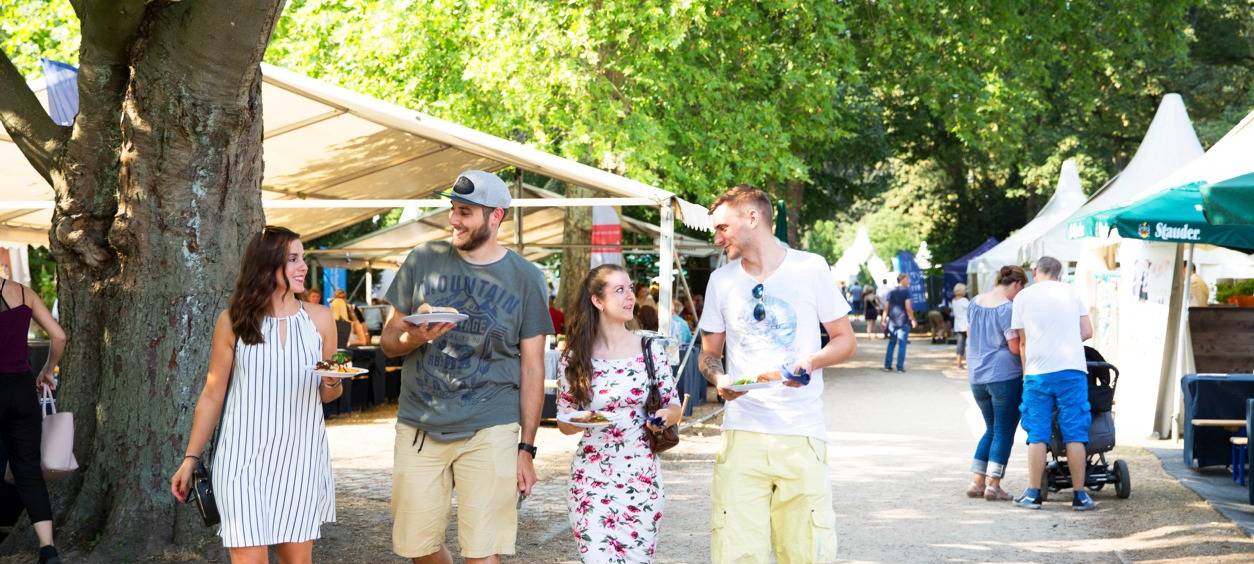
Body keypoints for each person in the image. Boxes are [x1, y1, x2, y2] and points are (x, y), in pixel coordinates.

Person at [380, 170, 552, 563]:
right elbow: (388, 342)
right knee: (417, 546)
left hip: (492, 425)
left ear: (496, 216)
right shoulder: (423, 259)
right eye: (453, 209)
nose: (453, 220)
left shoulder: (526, 278)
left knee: (483, 550)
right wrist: (414, 338)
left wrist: (526, 448)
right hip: (420, 422)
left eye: (465, 212)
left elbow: (532, 368)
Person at [698, 185, 856, 563]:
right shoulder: (721, 281)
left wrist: (811, 361)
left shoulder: (810, 268)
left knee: (805, 552)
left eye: (722, 227)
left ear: (752, 218)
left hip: (800, 432)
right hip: (742, 433)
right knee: (736, 552)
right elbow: (708, 355)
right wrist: (719, 379)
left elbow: (844, 341)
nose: (717, 238)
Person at [170, 226, 342, 561]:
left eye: (303, 258)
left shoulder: (321, 320)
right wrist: (190, 459)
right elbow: (212, 394)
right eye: (292, 259)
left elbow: (328, 396)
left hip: (301, 461)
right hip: (241, 462)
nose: (303, 266)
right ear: (266, 264)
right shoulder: (233, 321)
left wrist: (333, 381)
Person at [556, 265, 682, 563]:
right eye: (619, 290)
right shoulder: (574, 357)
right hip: (591, 477)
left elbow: (675, 407)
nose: (629, 297)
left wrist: (664, 417)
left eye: (630, 289)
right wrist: (580, 420)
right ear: (597, 300)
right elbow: (564, 420)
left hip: (641, 475)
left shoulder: (651, 349)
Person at [1010, 256, 1096, 511]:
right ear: (1059, 273)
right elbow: (1087, 331)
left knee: (1037, 434)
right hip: (1071, 371)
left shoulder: (1023, 297)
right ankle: (1080, 495)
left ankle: (1033, 494)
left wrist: (1026, 372)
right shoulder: (1072, 293)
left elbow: (1022, 342)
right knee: (1075, 433)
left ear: (1034, 271)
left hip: (1038, 372)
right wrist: (1065, 339)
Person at [0, 277, 65, 564]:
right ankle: (48, 550)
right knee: (28, 470)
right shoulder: (24, 292)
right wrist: (48, 369)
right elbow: (59, 336)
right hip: (22, 389)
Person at [964, 267, 1026, 501]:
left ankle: (976, 482)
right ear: (1017, 284)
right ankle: (994, 485)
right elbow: (1014, 347)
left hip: (977, 375)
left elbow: (970, 335)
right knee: (1003, 430)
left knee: (991, 428)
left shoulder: (974, 302)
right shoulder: (1006, 308)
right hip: (1003, 375)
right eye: (1022, 289)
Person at [883, 274, 916, 372]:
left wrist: (883, 320)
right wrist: (913, 319)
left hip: (892, 322)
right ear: (902, 280)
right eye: (907, 279)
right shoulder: (906, 291)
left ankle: (887, 366)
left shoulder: (891, 292)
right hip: (903, 321)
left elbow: (886, 307)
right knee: (902, 344)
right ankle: (900, 367)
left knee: (891, 343)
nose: (909, 281)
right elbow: (908, 307)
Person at [952, 284, 971, 369]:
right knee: (969, 343)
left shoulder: (954, 300)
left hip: (958, 325)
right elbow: (971, 308)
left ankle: (958, 362)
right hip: (966, 325)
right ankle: (970, 362)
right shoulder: (964, 300)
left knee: (960, 344)